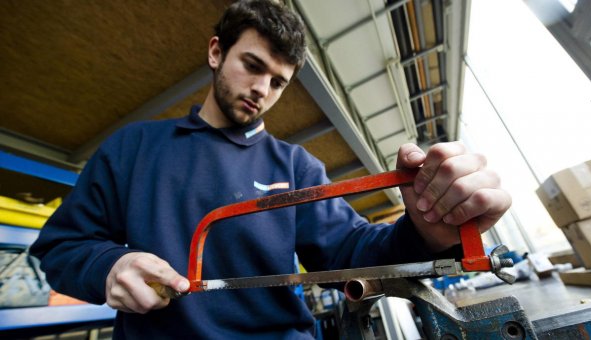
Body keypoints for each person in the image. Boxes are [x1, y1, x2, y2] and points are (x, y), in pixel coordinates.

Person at [30, 0, 511, 338]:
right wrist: (108, 265)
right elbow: (60, 248)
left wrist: (426, 230)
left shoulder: (297, 164)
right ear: (217, 52)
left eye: (278, 82)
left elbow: (351, 252)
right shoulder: (133, 147)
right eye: (252, 65)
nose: (262, 88)